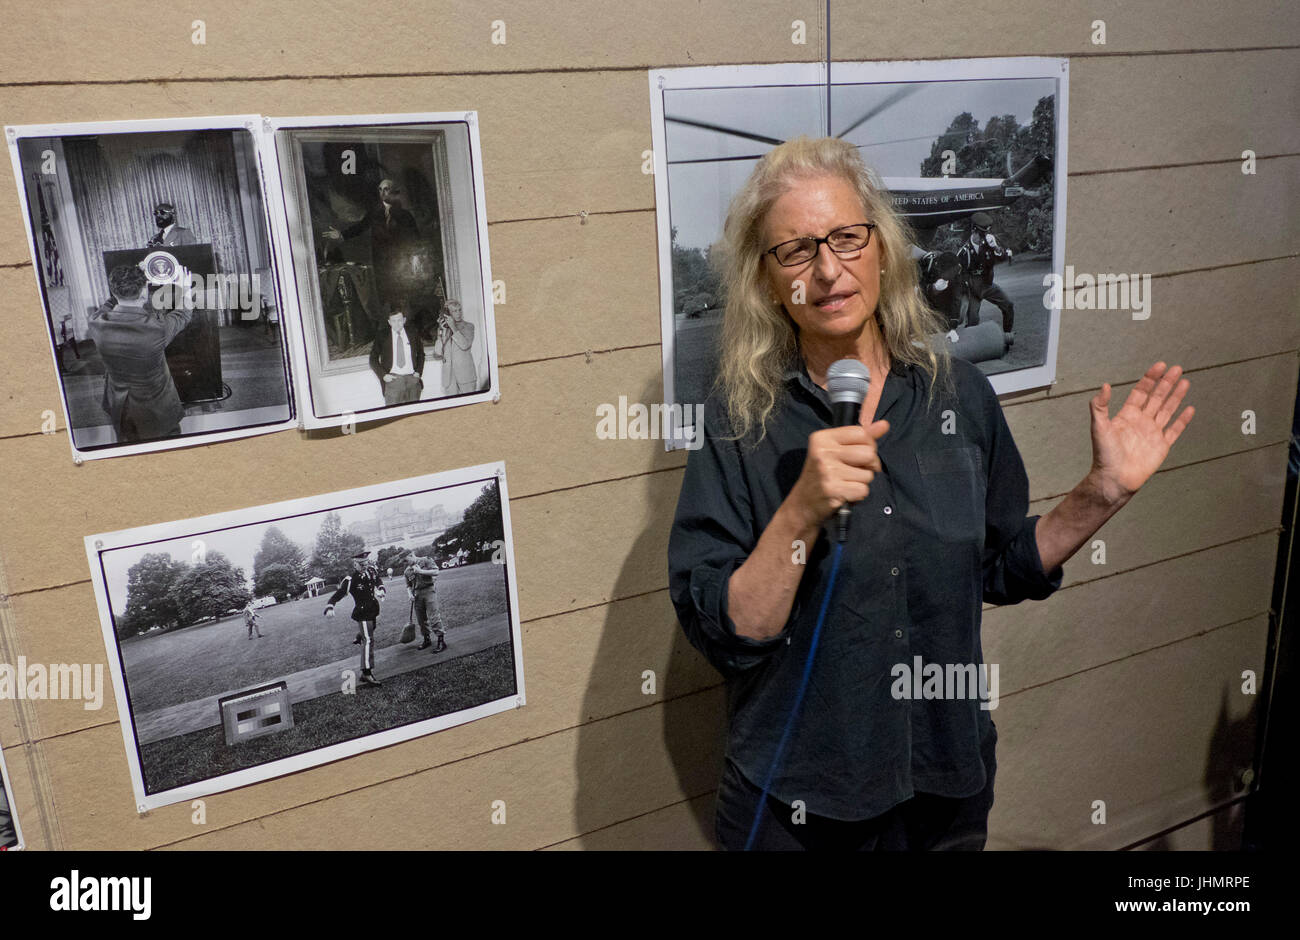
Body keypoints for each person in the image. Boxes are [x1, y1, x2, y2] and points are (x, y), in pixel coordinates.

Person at [667, 136, 1194, 851]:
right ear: (767, 281)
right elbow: (730, 636)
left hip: (945, 789)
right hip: (800, 805)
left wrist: (1100, 493)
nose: (828, 270)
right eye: (795, 251)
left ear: (883, 250)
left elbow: (1000, 566)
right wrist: (800, 512)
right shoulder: (740, 422)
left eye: (847, 239)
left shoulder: (962, 397)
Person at [86, 263, 194, 442]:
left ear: (114, 292)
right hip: (157, 410)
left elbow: (109, 303)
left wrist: (127, 279)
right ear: (144, 293)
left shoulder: (95, 322)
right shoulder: (157, 328)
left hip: (119, 407)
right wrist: (186, 289)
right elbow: (183, 314)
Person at [323, 178, 419, 308]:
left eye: (386, 189)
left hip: (401, 262)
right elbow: (360, 227)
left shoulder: (405, 215)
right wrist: (341, 235)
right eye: (380, 190)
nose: (383, 193)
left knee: (405, 295)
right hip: (382, 263)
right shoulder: (375, 213)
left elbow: (416, 240)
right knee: (388, 297)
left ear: (394, 191)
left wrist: (415, 259)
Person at [324, 551, 387, 687]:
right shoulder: (350, 580)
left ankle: (359, 636)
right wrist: (330, 606)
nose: (365, 566)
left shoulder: (371, 570)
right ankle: (366, 673)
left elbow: (378, 580)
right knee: (368, 640)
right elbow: (338, 594)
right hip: (362, 612)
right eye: (361, 564)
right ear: (354, 564)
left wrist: (381, 589)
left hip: (373, 609)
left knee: (370, 631)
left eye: (366, 563)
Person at [956, 211, 1014, 341]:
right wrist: (965, 292)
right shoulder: (964, 252)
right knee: (973, 321)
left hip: (987, 284)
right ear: (973, 231)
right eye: (982, 233)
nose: (984, 237)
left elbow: (1004, 257)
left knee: (1008, 305)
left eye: (986, 233)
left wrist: (996, 248)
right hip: (972, 289)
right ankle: (970, 346)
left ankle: (1007, 336)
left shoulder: (988, 244)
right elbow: (959, 275)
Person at [369, 306, 425, 405]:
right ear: (389, 322)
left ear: (404, 320)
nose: (397, 323)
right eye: (393, 321)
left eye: (399, 320)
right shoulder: (382, 336)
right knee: (394, 414)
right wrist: (383, 375)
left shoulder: (412, 333)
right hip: (393, 381)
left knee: (414, 413)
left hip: (412, 380)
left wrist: (418, 372)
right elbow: (373, 359)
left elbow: (421, 354)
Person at [404, 555, 447, 652]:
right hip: (417, 594)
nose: (407, 562)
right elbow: (408, 585)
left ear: (412, 554)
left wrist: (421, 571)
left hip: (428, 591)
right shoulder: (407, 571)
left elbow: (436, 571)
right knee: (421, 619)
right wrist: (410, 594)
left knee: (433, 616)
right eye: (405, 561)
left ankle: (441, 641)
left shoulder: (425, 560)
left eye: (407, 559)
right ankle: (427, 639)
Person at [436, 300, 478, 394]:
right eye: (454, 311)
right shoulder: (443, 329)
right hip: (449, 378)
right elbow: (438, 352)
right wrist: (441, 332)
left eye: (459, 310)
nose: (458, 313)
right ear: (448, 314)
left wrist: (453, 327)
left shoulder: (469, 326)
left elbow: (465, 345)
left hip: (466, 376)